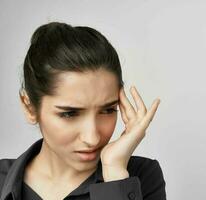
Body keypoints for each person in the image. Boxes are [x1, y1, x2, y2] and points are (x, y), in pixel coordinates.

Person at [0, 22, 166, 200]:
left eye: (108, 110)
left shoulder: (140, 177)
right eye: (69, 113)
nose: (92, 138)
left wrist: (114, 176)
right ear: (29, 107)